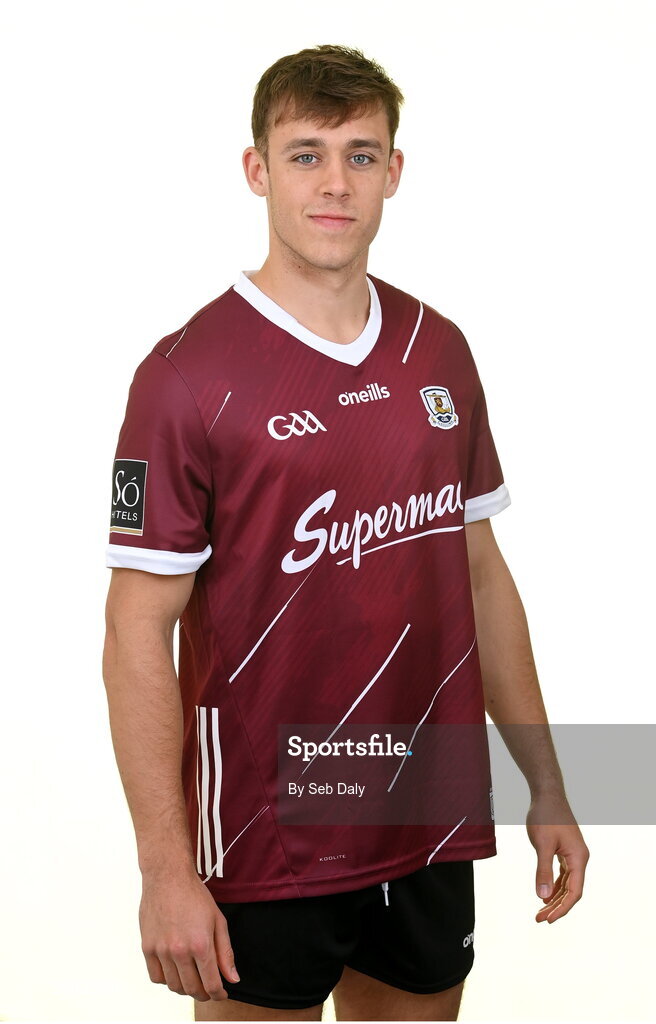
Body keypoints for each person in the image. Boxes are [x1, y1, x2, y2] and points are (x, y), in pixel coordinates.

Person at [102, 43, 590, 1022]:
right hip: (266, 826)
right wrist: (163, 868)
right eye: (306, 152)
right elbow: (132, 635)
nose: (334, 182)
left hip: (427, 800)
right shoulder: (186, 377)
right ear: (257, 170)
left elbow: (480, 577)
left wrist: (547, 783)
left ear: (393, 173)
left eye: (360, 155)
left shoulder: (436, 349)